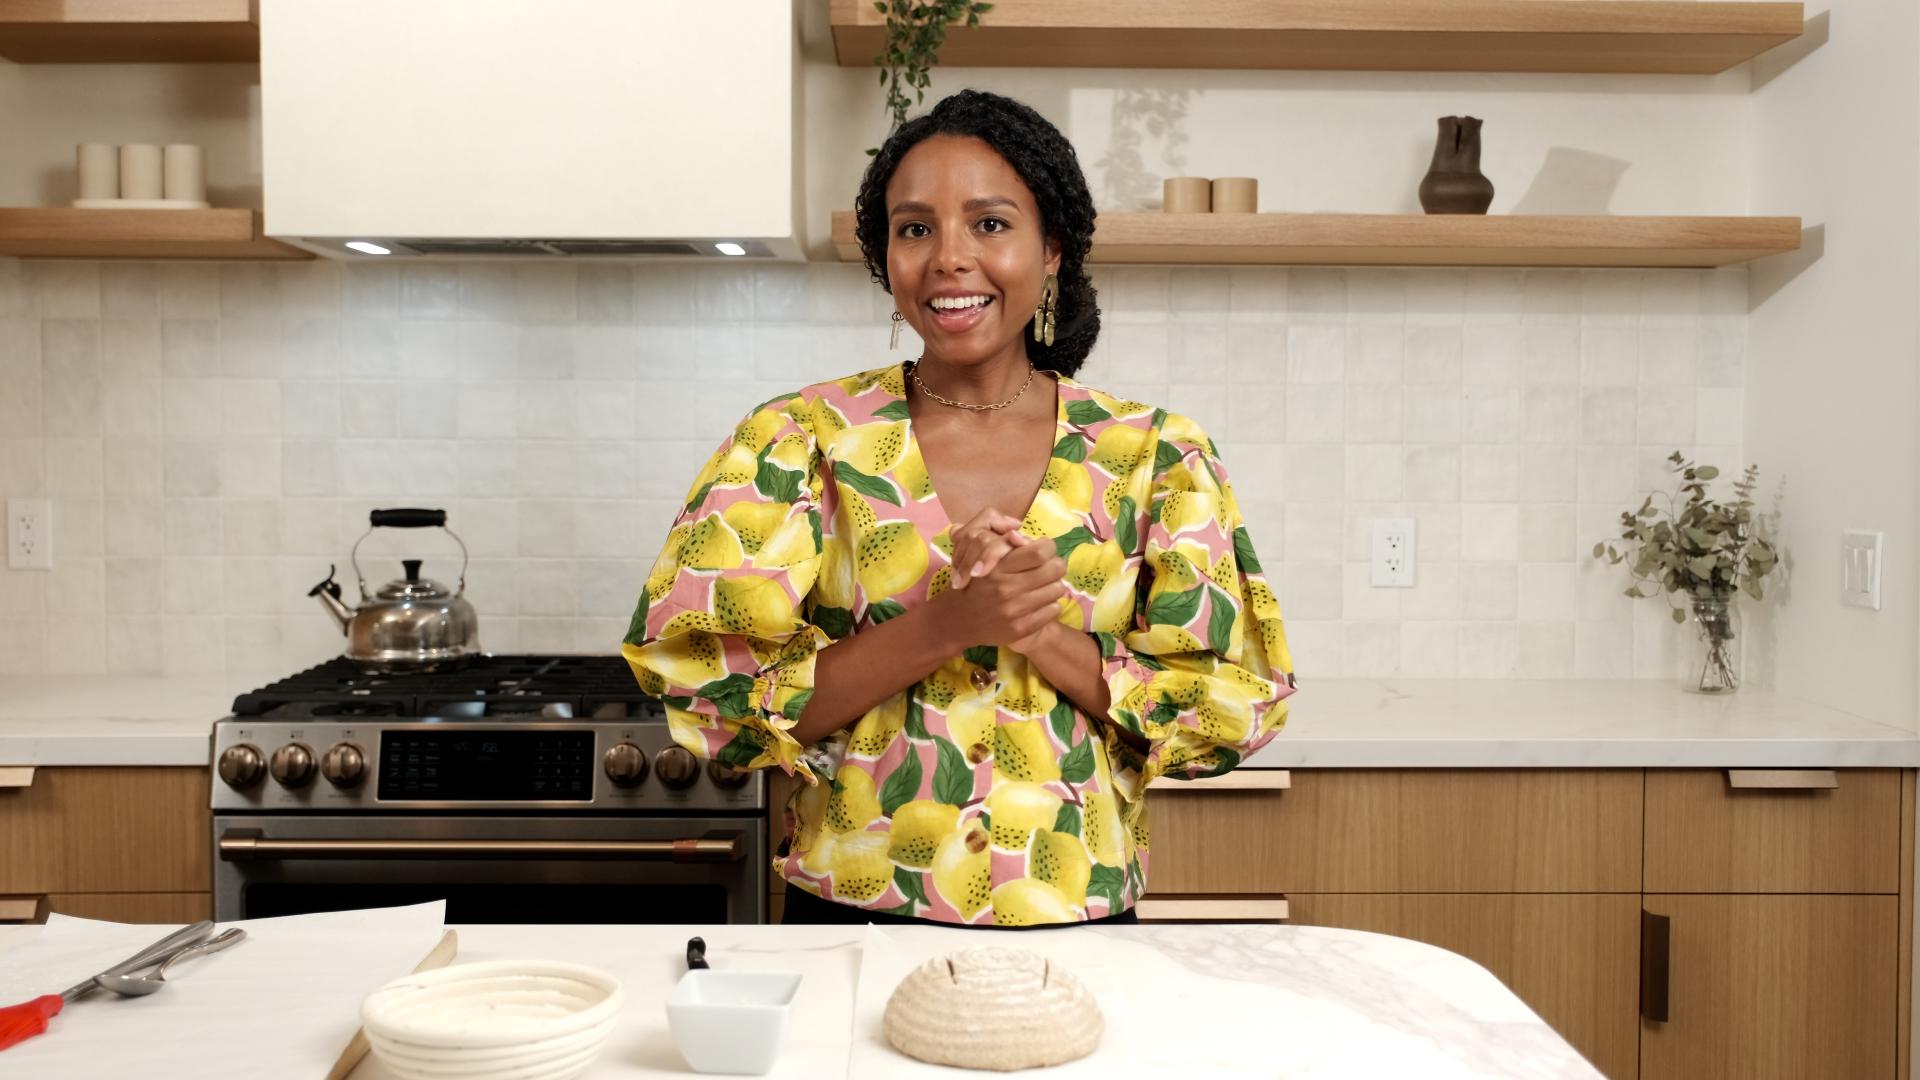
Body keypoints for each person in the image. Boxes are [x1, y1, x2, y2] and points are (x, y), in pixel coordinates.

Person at [623, 89, 1296, 927]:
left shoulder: (1153, 454)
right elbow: (717, 697)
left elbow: (1225, 706)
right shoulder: (799, 439)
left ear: (1051, 249)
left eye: (989, 223)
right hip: (853, 912)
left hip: (1076, 913)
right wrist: (950, 623)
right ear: (886, 259)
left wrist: (1037, 631)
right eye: (914, 228)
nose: (948, 257)